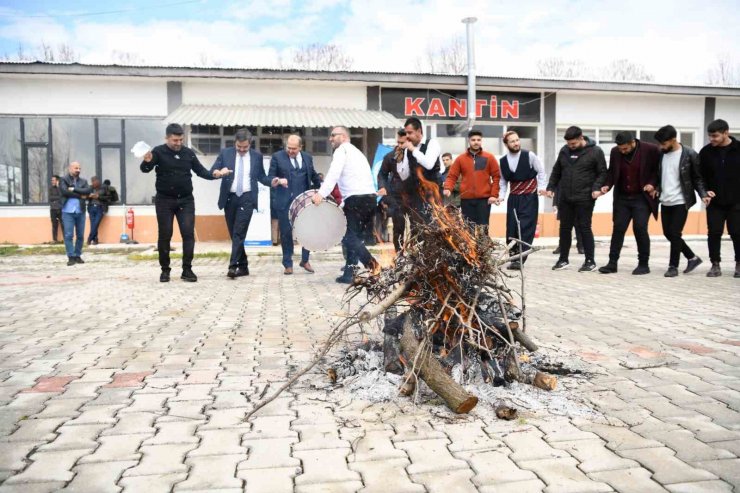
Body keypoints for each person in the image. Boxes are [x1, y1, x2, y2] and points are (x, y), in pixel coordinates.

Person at [141, 123, 225, 283]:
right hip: (164, 200)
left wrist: (216, 174)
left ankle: (187, 269)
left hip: (186, 200)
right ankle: (165, 270)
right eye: (175, 140)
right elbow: (145, 169)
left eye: (181, 139)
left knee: (188, 234)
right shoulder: (158, 151)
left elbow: (201, 172)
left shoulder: (188, 153)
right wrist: (147, 161)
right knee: (165, 235)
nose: (178, 143)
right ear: (167, 138)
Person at [312, 126, 379, 283]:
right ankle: (349, 274)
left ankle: (373, 265)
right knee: (355, 238)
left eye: (333, 135)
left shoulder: (342, 150)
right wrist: (343, 203)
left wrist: (320, 194)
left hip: (357, 199)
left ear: (343, 137)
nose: (330, 139)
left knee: (348, 237)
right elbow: (354, 179)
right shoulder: (357, 152)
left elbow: (333, 174)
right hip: (369, 199)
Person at [211, 128, 272, 279]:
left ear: (250, 144)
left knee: (239, 232)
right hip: (229, 198)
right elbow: (213, 170)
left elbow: (262, 177)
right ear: (235, 143)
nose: (242, 150)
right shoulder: (226, 153)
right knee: (235, 234)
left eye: (245, 147)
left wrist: (273, 181)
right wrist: (218, 173)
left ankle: (233, 266)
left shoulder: (257, 157)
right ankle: (243, 266)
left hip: (247, 197)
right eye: (239, 147)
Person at [597, 132, 660, 275]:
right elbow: (612, 172)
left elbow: (657, 171)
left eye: (625, 149)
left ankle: (643, 264)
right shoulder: (615, 152)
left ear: (633, 142)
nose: (622, 151)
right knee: (618, 228)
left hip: (641, 198)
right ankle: (612, 263)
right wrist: (607, 185)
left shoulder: (650, 149)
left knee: (640, 228)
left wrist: (652, 184)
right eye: (620, 149)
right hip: (622, 198)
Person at [546, 126, 607, 272]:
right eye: (568, 144)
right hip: (566, 197)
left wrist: (596, 188)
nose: (571, 146)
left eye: (573, 143)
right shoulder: (564, 151)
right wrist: (551, 187)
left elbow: (603, 172)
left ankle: (590, 261)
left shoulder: (595, 151)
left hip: (585, 197)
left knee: (584, 227)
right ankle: (563, 259)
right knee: (565, 229)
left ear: (581, 138)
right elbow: (557, 171)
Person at [653, 125, 709, 277]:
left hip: (681, 200)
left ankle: (673, 266)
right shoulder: (662, 154)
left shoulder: (689, 154)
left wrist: (703, 194)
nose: (661, 147)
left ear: (673, 140)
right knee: (668, 233)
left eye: (663, 143)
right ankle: (692, 258)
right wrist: (656, 187)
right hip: (665, 200)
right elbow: (660, 176)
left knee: (675, 232)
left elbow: (697, 177)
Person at [269, 134, 322, 275]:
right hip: (284, 201)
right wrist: (278, 180)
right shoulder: (277, 157)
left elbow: (313, 175)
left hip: (304, 201)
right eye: (288, 148)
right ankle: (287, 263)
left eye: (294, 148)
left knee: (307, 231)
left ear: (300, 147)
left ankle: (305, 260)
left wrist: (323, 190)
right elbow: (270, 176)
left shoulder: (307, 157)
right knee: (286, 233)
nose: (290, 151)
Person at [499, 130, 547, 269]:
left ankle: (520, 260)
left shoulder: (529, 155)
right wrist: (501, 197)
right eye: (512, 141)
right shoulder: (503, 161)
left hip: (529, 197)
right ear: (507, 144)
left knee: (525, 227)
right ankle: (513, 256)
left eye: (517, 140)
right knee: (512, 228)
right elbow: (503, 182)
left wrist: (541, 187)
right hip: (513, 198)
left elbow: (541, 172)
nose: (516, 143)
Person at [699, 119, 740, 278]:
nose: (712, 139)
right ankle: (715, 264)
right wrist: (705, 191)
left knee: (737, 233)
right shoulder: (706, 152)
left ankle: (738, 264)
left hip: (737, 201)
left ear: (726, 133)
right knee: (714, 233)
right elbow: (700, 176)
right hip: (715, 202)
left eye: (715, 136)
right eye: (710, 136)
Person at [443, 130, 501, 233]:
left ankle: (483, 248)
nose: (476, 142)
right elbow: (452, 176)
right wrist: (448, 188)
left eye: (478, 140)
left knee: (483, 228)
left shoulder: (489, 157)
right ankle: (470, 249)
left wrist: (493, 195)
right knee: (468, 229)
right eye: (473, 140)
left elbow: (496, 177)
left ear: (481, 141)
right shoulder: (460, 159)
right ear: (469, 141)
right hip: (466, 200)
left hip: (484, 200)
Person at [398, 117, 442, 222]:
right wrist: (399, 160)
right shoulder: (408, 149)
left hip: (432, 193)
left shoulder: (432, 143)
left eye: (410, 133)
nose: (407, 136)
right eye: (406, 133)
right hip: (416, 195)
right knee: (418, 226)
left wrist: (413, 150)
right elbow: (404, 175)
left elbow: (429, 164)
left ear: (419, 131)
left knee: (434, 226)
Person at [377, 129, 408, 252]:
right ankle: (399, 254)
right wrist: (382, 187)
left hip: (413, 196)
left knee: (417, 227)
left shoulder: (414, 156)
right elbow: (382, 174)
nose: (400, 145)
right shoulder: (390, 156)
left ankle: (418, 256)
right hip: (396, 197)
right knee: (398, 227)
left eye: (403, 143)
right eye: (398, 142)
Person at [59, 162, 92, 266]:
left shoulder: (84, 181)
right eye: (76, 168)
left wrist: (74, 189)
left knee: (80, 236)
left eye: (79, 168)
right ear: (70, 169)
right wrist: (79, 195)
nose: (78, 170)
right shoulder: (63, 179)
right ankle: (71, 256)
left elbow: (87, 191)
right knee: (68, 235)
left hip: (80, 211)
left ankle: (77, 255)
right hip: (67, 212)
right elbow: (64, 192)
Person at [86, 176, 110, 246]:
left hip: (100, 208)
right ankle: (95, 239)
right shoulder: (90, 188)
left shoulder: (104, 187)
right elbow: (85, 197)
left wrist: (98, 197)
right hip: (91, 208)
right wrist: (89, 196)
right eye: (92, 181)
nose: (93, 183)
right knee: (93, 224)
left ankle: (89, 238)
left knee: (96, 223)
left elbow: (108, 198)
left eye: (94, 181)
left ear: (98, 181)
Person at [49, 175, 64, 243]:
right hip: (53, 209)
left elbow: (61, 197)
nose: (52, 181)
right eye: (52, 180)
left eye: (53, 180)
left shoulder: (61, 188)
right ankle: (55, 240)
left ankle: (65, 239)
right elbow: (50, 198)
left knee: (63, 224)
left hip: (60, 209)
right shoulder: (50, 189)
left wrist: (58, 187)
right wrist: (57, 198)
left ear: (57, 181)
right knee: (54, 225)